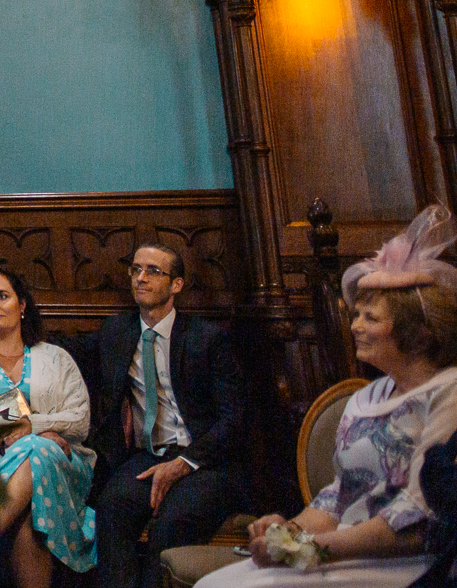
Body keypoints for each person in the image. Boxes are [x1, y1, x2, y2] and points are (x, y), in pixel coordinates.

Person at [195, 207, 457, 588]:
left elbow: (421, 515)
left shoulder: (448, 392)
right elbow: (339, 495)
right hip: (346, 549)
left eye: (370, 318)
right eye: (357, 314)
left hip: (413, 559)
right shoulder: (367, 396)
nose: (355, 326)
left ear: (416, 332)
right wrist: (289, 531)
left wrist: (312, 549)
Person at [89, 243, 249, 588]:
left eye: (152, 271)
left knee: (173, 522)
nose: (140, 278)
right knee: (112, 507)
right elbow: (67, 352)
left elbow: (233, 419)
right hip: (148, 456)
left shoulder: (208, 339)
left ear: (176, 284)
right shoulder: (117, 332)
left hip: (205, 461)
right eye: (135, 270)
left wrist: (184, 464)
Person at [0, 267, 96, 588]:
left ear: (22, 304)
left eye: (2, 296)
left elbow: (79, 419)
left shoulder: (56, 358)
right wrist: (41, 435)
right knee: (28, 518)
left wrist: (34, 427)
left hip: (63, 466)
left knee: (38, 450)